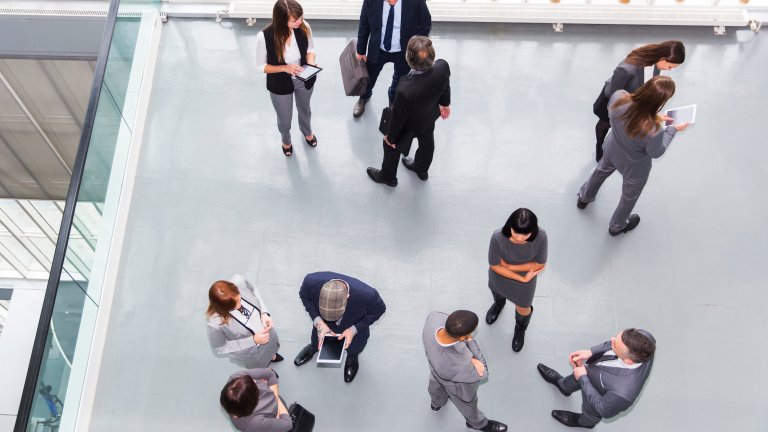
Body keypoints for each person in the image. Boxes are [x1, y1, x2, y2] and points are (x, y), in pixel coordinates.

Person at [578, 75, 689, 236]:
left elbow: (629, 116)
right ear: (661, 101)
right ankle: (617, 226)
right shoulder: (654, 130)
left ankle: (584, 198)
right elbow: (656, 152)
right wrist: (673, 129)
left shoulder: (619, 96)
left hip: (612, 148)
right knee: (629, 197)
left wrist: (655, 117)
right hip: (634, 166)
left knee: (600, 171)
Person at [366, 36, 450, 187]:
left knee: (390, 147)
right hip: (429, 117)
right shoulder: (442, 66)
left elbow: (398, 119)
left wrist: (390, 139)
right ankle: (421, 168)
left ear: (408, 59)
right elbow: (445, 84)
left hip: (410, 126)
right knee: (427, 142)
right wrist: (445, 104)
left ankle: (388, 177)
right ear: (433, 55)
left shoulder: (405, 89)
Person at [537, 328, 656, 429]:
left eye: (615, 344)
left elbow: (603, 409)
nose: (612, 340)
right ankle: (563, 386)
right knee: (574, 377)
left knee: (590, 413)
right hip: (591, 371)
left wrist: (583, 378)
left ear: (628, 361)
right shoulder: (645, 339)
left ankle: (583, 423)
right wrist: (591, 352)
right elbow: (614, 343)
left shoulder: (623, 394)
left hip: (597, 395)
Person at [593, 41, 685, 162]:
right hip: (613, 102)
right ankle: (599, 146)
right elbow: (613, 94)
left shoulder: (655, 62)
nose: (670, 70)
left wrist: (649, 115)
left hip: (633, 100)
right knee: (605, 124)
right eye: (670, 67)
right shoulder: (626, 69)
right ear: (663, 58)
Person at [422, 310, 508, 432]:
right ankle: (477, 424)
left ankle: (437, 404)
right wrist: (470, 342)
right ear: (462, 337)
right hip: (454, 383)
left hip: (435, 370)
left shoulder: (434, 318)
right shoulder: (460, 365)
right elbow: (482, 371)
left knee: (435, 387)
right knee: (467, 404)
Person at [293, 272, 387, 383]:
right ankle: (314, 347)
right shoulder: (310, 282)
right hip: (322, 325)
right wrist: (319, 321)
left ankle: (352, 356)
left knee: (356, 346)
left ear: (347, 296)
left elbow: (379, 310)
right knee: (316, 339)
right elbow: (304, 296)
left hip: (353, 325)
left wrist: (354, 330)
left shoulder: (368, 295)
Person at [256, 0, 318, 157]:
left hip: (303, 78)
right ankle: (286, 140)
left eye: (301, 17)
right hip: (279, 83)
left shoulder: (304, 26)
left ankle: (307, 132)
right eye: (294, 20)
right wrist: (284, 68)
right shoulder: (264, 36)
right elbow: (261, 66)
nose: (299, 22)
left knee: (305, 109)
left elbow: (310, 49)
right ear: (282, 19)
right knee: (284, 119)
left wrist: (310, 65)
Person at [352, 0, 432, 117]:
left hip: (404, 49)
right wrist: (360, 50)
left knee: (399, 80)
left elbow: (425, 23)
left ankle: (393, 99)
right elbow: (364, 22)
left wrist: (417, 46)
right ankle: (364, 97)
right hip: (378, 47)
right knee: (369, 76)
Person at [485, 208, 548, 352]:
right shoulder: (497, 237)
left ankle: (520, 329)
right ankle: (498, 305)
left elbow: (539, 264)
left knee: (523, 307)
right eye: (516, 233)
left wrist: (508, 266)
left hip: (524, 281)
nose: (520, 238)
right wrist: (521, 277)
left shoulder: (541, 237)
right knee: (497, 292)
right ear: (510, 227)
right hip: (505, 277)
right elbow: (495, 266)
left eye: (525, 234)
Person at [206, 275, 283, 368]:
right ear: (222, 308)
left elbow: (254, 291)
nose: (239, 306)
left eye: (239, 299)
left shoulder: (240, 281)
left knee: (271, 349)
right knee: (259, 367)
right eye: (233, 306)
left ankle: (271, 356)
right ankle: (265, 371)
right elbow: (220, 348)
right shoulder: (214, 323)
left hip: (267, 334)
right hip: (250, 352)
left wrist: (264, 313)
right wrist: (253, 340)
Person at [221, 368, 292, 432]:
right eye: (255, 382)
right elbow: (288, 424)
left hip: (276, 407)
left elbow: (270, 374)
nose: (255, 381)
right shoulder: (252, 424)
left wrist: (275, 398)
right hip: (278, 412)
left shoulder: (237, 379)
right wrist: (276, 398)